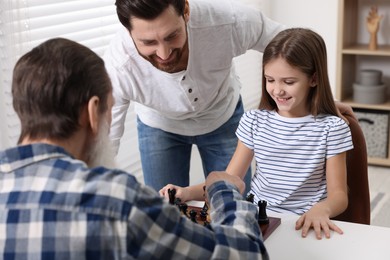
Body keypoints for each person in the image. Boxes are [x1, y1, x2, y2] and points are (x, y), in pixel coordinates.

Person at [0, 38, 269, 259]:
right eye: (109, 109)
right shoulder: (116, 199)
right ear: (93, 112)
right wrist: (224, 190)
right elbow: (244, 255)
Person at [161, 28, 354, 240]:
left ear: (314, 79)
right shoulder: (254, 121)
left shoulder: (332, 128)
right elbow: (229, 179)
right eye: (270, 80)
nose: (277, 90)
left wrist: (323, 209)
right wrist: (186, 192)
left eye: (288, 82)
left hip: (304, 224)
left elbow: (339, 195)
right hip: (261, 222)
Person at [104, 0, 285, 193]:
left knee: (235, 204)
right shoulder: (118, 67)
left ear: (186, 11)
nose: (164, 54)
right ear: (128, 31)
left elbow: (293, 49)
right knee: (165, 212)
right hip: (159, 125)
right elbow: (105, 142)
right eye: (148, 42)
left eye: (172, 36)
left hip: (223, 115)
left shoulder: (229, 22)